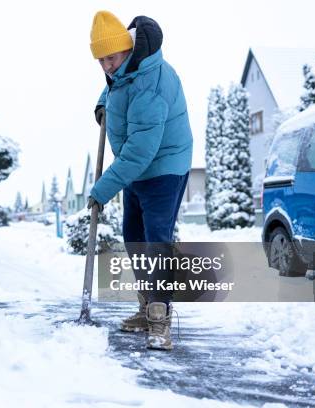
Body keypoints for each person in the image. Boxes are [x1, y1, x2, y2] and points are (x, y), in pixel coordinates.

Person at [87, 11, 193, 350]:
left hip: (164, 166)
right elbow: (116, 88)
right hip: (137, 167)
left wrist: (103, 188)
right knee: (133, 236)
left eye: (111, 58)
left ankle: (160, 319)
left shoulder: (150, 81)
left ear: (126, 50)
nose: (107, 66)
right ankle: (147, 306)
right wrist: (103, 104)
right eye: (101, 60)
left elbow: (140, 151)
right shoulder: (126, 67)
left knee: (155, 240)